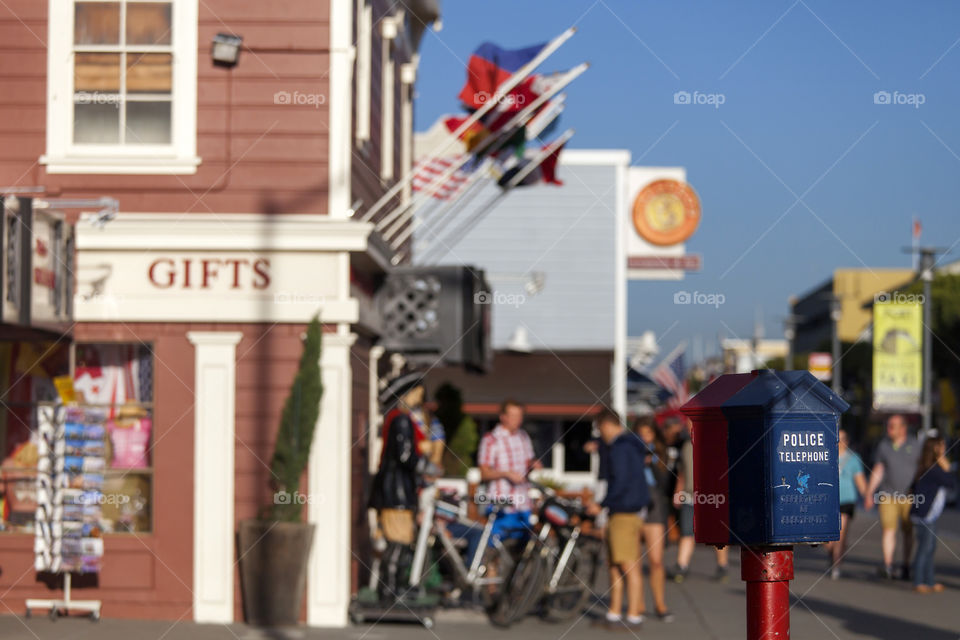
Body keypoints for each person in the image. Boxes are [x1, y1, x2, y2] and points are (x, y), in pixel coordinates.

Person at [588, 409, 650, 631]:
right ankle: (614, 613)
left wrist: (601, 503)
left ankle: (633, 615)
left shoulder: (620, 448)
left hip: (623, 511)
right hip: (627, 511)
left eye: (599, 429)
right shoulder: (631, 444)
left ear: (606, 425)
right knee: (614, 564)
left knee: (628, 565)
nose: (600, 434)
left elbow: (620, 482)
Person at [368, 373, 429, 597]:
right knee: (398, 541)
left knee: (400, 541)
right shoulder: (402, 420)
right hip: (397, 491)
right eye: (418, 394)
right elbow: (406, 457)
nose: (419, 399)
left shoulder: (393, 418)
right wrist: (422, 456)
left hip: (393, 489)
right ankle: (390, 587)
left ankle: (393, 584)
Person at [667, 417, 728, 582]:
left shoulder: (713, 443)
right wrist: (677, 492)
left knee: (716, 532)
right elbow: (682, 471)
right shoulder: (686, 445)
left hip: (711, 497)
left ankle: (722, 566)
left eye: (693, 421)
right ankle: (682, 565)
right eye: (688, 422)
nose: (689, 425)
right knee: (687, 531)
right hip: (689, 495)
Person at [865, 414, 921, 579]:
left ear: (903, 428)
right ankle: (888, 565)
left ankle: (906, 565)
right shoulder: (884, 446)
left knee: (908, 531)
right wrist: (869, 492)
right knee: (888, 530)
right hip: (888, 495)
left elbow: (922, 468)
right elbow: (879, 469)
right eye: (888, 426)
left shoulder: (915, 445)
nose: (888, 429)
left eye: (892, 426)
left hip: (910, 496)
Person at [477, 398, 541, 540]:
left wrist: (533, 464)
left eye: (519, 416)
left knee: (522, 547)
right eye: (513, 416)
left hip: (523, 503)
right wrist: (506, 474)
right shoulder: (491, 439)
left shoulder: (523, 437)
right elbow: (484, 473)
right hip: (501, 504)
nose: (517, 420)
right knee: (496, 545)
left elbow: (527, 464)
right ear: (503, 417)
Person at [635, 418, 674, 622]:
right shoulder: (630, 453)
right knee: (633, 561)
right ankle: (637, 604)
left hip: (654, 506)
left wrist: (650, 463)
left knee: (656, 561)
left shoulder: (660, 454)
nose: (644, 438)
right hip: (633, 505)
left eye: (648, 434)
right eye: (641, 434)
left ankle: (660, 604)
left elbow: (665, 484)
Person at [909, 435, 955, 593]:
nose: (944, 450)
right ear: (935, 449)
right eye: (941, 447)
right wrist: (946, 466)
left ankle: (929, 581)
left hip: (927, 514)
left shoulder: (925, 467)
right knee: (925, 548)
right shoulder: (934, 469)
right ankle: (919, 581)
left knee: (930, 547)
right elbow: (951, 482)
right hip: (925, 515)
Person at [826, 429, 867, 579]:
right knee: (828, 539)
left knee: (841, 534)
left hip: (847, 500)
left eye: (842, 438)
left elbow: (860, 480)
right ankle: (834, 553)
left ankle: (836, 566)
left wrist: (867, 495)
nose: (839, 442)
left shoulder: (854, 459)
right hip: (828, 500)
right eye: (837, 438)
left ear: (847, 441)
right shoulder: (826, 456)